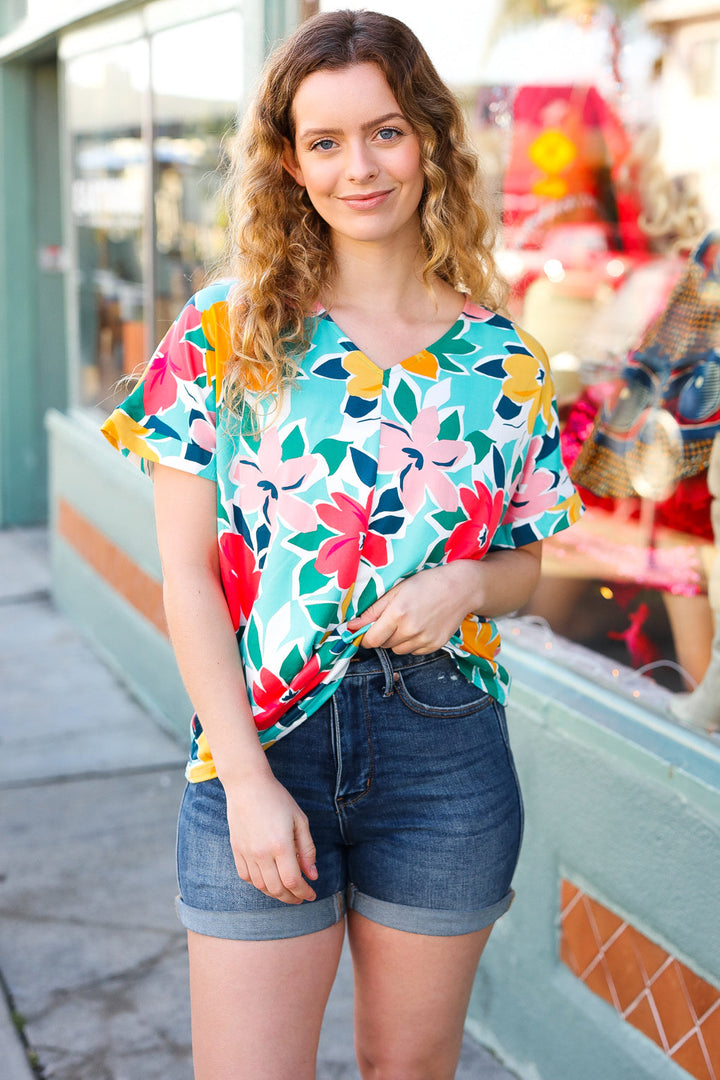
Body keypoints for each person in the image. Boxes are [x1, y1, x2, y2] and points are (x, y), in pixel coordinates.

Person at [101, 10, 583, 1078]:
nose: (359, 167)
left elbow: (528, 568)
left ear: (430, 142)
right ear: (290, 162)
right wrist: (244, 779)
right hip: (259, 739)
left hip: (444, 747)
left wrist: (467, 582)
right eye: (325, 142)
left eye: (386, 132)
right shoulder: (226, 333)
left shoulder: (503, 362)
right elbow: (186, 577)